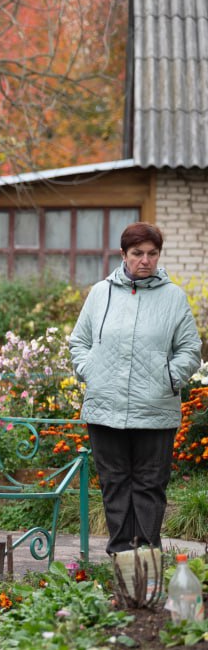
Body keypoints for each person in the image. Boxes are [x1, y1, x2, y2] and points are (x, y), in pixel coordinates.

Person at [68, 222, 202, 555]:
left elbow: (190, 349)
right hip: (105, 407)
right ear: (123, 255)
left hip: (155, 409)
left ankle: (146, 556)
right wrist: (92, 372)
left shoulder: (173, 297)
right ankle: (121, 557)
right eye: (137, 253)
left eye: (152, 253)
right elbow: (79, 342)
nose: (145, 260)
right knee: (114, 484)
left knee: (149, 485)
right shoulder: (101, 293)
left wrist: (168, 379)